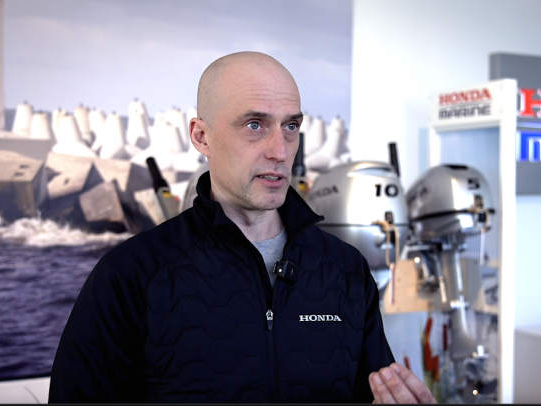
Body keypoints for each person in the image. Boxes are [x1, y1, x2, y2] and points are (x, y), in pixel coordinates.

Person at [48, 51, 436, 404]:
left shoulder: (345, 270)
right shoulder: (130, 275)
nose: (279, 151)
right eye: (254, 125)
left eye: (291, 126)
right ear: (201, 136)